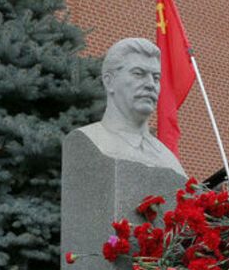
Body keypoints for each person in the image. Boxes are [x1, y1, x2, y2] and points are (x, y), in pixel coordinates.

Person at [77, 38, 185, 174]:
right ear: (109, 81)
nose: (151, 84)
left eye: (156, 78)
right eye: (139, 74)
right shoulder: (89, 141)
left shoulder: (168, 159)